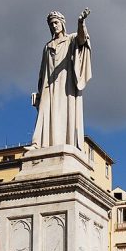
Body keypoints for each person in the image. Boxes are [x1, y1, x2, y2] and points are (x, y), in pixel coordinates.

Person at [31, 8, 92, 149]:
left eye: (56, 23)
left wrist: (81, 22)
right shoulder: (47, 46)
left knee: (66, 113)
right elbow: (42, 71)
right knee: (44, 111)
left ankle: (66, 143)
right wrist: (39, 93)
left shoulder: (71, 39)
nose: (54, 26)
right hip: (48, 86)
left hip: (66, 85)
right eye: (51, 24)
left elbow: (82, 39)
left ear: (62, 23)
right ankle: (38, 143)